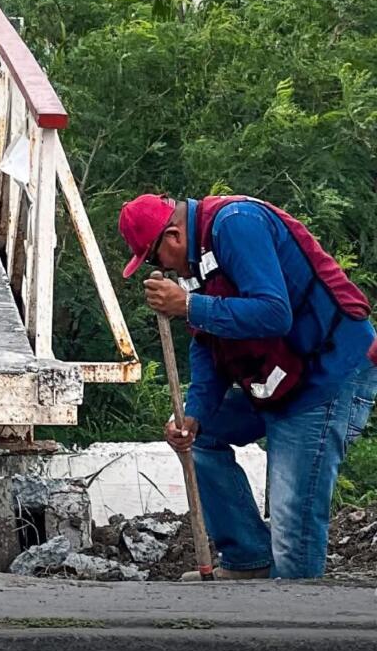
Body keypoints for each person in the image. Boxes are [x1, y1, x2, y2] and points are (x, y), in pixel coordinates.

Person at [119, 193, 377, 579]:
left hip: (327, 373)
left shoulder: (236, 223)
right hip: (276, 377)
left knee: (292, 530)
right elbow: (208, 344)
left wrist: (189, 305)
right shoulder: (195, 264)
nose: (161, 268)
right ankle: (248, 560)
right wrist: (194, 416)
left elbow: (274, 314)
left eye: (154, 258)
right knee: (200, 437)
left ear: (172, 236)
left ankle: (296, 624)